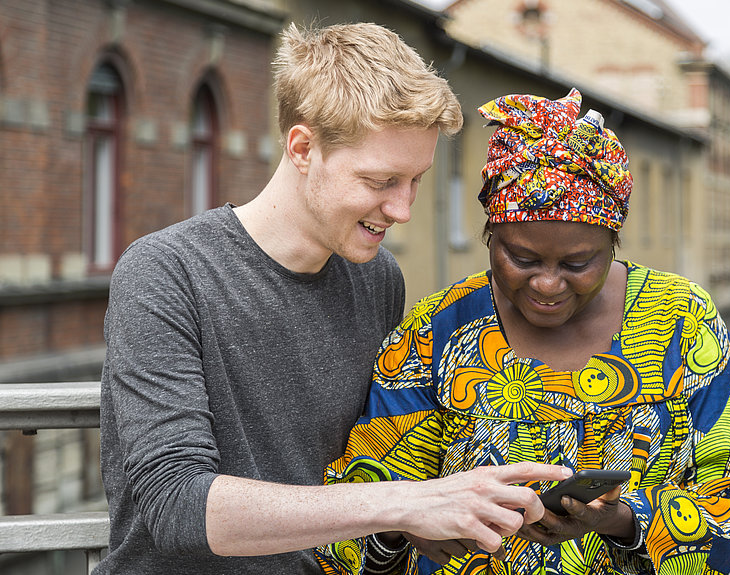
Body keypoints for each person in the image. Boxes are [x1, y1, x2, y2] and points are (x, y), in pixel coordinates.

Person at [96, 22, 572, 575]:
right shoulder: (165, 271)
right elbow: (175, 506)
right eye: (380, 181)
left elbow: (373, 462)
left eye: (415, 179)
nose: (403, 209)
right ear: (303, 148)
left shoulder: (376, 278)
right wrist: (412, 502)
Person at [316, 88, 730, 575]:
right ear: (490, 237)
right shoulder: (437, 330)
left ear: (612, 243)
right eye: (521, 258)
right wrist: (406, 525)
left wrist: (621, 520)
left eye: (578, 262)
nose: (547, 284)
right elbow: (362, 504)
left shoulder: (680, 322)